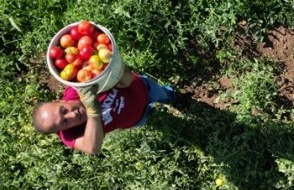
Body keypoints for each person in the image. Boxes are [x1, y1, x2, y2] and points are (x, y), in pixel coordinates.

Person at [32, 65, 182, 154]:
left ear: (60, 101)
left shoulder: (78, 88)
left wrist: (115, 67)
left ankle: (172, 97)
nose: (72, 115)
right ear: (60, 131)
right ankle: (153, 113)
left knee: (163, 94)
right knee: (149, 117)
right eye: (64, 122)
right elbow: (92, 148)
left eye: (63, 110)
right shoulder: (70, 136)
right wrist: (93, 113)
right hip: (136, 117)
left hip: (142, 88)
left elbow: (115, 72)